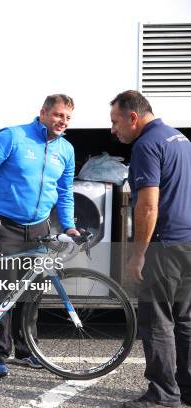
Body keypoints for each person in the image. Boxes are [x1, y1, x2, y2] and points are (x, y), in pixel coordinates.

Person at [0, 94, 80, 377]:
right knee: (3, 291)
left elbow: (65, 191)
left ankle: (26, 349)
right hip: (5, 225)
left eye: (68, 118)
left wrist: (68, 226)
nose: (62, 122)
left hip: (41, 227)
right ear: (43, 112)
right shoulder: (13, 136)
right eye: (58, 115)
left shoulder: (66, 150)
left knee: (31, 292)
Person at [110, 91, 191, 408]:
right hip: (188, 242)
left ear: (133, 117)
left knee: (157, 321)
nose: (113, 131)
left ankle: (163, 394)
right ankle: (186, 388)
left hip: (165, 245)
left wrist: (139, 253)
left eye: (115, 122)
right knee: (185, 320)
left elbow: (146, 206)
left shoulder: (147, 144)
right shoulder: (181, 139)